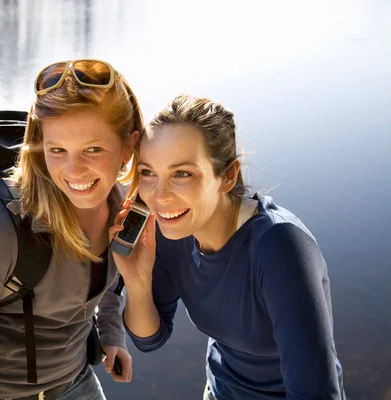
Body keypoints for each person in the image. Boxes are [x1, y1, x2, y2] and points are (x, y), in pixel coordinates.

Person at [0, 59, 143, 400]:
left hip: (77, 381)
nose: (74, 172)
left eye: (93, 149)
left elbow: (112, 284)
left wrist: (113, 335)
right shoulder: (2, 230)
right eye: (57, 150)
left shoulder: (126, 208)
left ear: (129, 146)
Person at [111, 95, 345, 399]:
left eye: (182, 174)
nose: (160, 195)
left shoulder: (280, 247)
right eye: (148, 173)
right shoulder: (172, 232)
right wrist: (136, 280)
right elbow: (150, 339)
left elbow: (315, 392)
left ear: (228, 175)